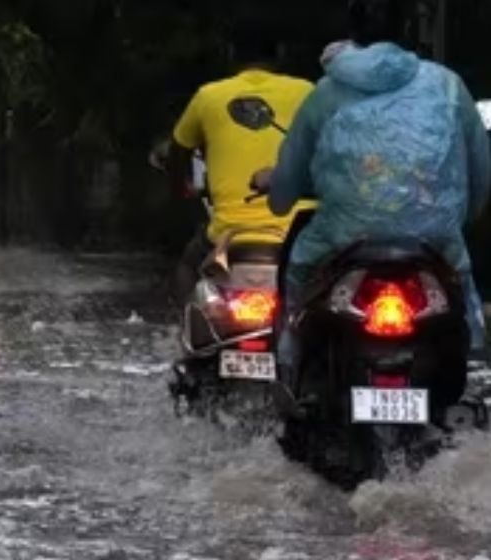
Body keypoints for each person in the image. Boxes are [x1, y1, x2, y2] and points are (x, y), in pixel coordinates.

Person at [256, 0, 491, 394]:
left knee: (296, 273)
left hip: (342, 241)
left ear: (353, 32)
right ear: (409, 32)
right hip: (434, 242)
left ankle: (289, 372)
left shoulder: (326, 93)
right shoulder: (449, 85)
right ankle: (472, 377)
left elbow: (283, 194)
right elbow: (480, 176)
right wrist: (456, 222)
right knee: (464, 306)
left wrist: (279, 191)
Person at [165, 21, 315, 307]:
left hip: (228, 233)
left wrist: (181, 191)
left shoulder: (209, 96)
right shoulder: (307, 92)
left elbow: (177, 155)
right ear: (280, 54)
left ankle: (190, 331)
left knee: (186, 268)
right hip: (300, 232)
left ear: (229, 53)